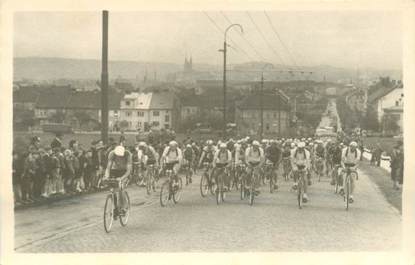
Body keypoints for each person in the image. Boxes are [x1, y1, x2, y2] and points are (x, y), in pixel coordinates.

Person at [103, 145, 132, 217]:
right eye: (117, 156)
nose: (119, 157)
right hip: (114, 170)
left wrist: (121, 178)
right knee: (113, 189)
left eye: (120, 156)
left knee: (121, 188)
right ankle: (115, 207)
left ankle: (124, 207)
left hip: (124, 171)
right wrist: (106, 176)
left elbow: (128, 171)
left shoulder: (128, 154)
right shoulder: (112, 154)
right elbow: (108, 168)